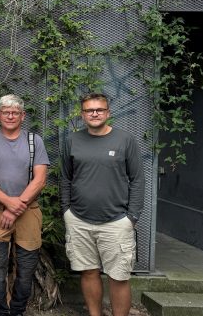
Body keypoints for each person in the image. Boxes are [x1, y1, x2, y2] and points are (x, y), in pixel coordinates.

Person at [60, 93, 144, 316]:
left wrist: (132, 217)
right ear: (82, 114)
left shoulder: (125, 140)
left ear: (108, 113)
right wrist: (66, 211)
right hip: (79, 219)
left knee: (119, 277)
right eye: (89, 110)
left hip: (117, 221)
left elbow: (137, 178)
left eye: (99, 109)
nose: (94, 113)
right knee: (88, 272)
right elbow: (66, 178)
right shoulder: (72, 140)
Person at [0, 94, 50, 316]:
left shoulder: (34, 141)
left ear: (22, 116)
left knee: (27, 267)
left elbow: (40, 179)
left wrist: (16, 206)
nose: (10, 116)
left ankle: (18, 310)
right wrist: (8, 204)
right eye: (6, 112)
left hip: (29, 211)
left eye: (15, 112)